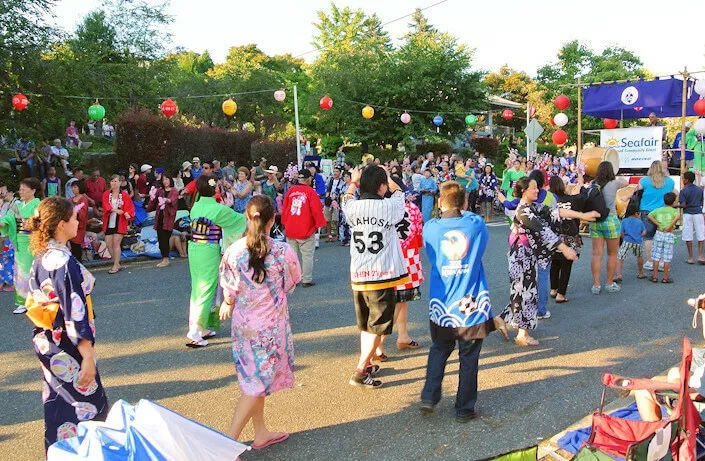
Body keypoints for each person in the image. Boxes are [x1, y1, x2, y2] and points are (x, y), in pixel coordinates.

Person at [24, 197, 108, 451]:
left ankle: (58, 452)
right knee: (90, 406)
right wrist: (88, 357)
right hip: (67, 344)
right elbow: (75, 315)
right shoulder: (63, 262)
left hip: (48, 341)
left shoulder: (43, 257)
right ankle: (84, 454)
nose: (77, 222)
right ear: (61, 225)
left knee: (58, 402)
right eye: (73, 219)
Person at [218, 195, 301, 450]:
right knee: (255, 385)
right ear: (273, 219)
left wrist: (229, 301)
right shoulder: (282, 251)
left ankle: (261, 431)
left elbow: (228, 286)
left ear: (247, 216)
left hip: (244, 326)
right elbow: (292, 281)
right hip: (270, 328)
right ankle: (227, 445)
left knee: (254, 380)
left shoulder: (233, 251)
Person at [420, 181, 508, 421]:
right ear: (466, 203)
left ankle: (429, 395)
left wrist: (448, 206)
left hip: (442, 304)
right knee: (468, 357)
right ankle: (464, 408)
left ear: (439, 203)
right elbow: (470, 215)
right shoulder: (475, 224)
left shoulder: (430, 228)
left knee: (439, 349)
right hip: (471, 305)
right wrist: (462, 206)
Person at [499, 177, 597, 346]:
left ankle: (499, 321)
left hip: (527, 253)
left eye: (537, 188)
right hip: (521, 254)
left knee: (522, 291)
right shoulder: (524, 211)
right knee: (526, 292)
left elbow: (555, 212)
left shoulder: (533, 207)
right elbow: (543, 230)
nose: (537, 191)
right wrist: (564, 248)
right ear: (524, 191)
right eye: (534, 188)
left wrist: (582, 215)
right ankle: (522, 334)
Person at [342, 165, 408, 389]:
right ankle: (360, 369)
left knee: (366, 324)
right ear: (381, 186)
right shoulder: (389, 206)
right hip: (382, 274)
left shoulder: (352, 207)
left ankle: (367, 363)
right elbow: (400, 194)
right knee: (376, 326)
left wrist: (353, 180)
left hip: (359, 274)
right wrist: (389, 177)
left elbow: (347, 197)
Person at [186, 174, 246, 347]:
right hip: (208, 249)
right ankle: (195, 331)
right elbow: (239, 221)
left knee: (198, 287)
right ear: (215, 189)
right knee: (206, 287)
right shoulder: (218, 209)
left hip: (195, 248)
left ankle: (203, 326)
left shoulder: (196, 206)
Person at [375, 191, 424, 361]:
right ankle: (377, 345)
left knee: (398, 302)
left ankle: (403, 336)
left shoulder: (382, 208)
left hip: (387, 260)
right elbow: (418, 237)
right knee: (398, 303)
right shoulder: (412, 208)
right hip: (409, 261)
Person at [0, 178, 41, 313]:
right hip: (18, 242)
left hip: (32, 242)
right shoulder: (18, 206)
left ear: (33, 190)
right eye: (20, 189)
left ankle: (35, 300)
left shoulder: (37, 204)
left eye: (24, 189)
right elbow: (8, 218)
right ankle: (23, 301)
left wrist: (23, 220)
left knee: (31, 272)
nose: (20, 191)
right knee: (19, 272)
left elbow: (38, 223)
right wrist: (3, 223)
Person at [281, 169, 326, 288]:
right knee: (307, 255)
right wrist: (318, 224)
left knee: (291, 256)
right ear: (308, 179)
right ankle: (306, 279)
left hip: (291, 227)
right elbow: (316, 210)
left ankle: (291, 280)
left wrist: (285, 223)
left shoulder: (290, 191)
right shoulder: (310, 192)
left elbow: (285, 209)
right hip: (305, 227)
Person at [588, 161, 628, 295]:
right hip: (610, 218)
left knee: (596, 253)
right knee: (612, 254)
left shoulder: (593, 184)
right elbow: (626, 182)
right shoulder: (614, 183)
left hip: (595, 219)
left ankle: (596, 284)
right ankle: (609, 283)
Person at [548, 176, 587, 303]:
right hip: (569, 234)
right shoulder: (571, 199)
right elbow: (584, 197)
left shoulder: (549, 200)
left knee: (554, 263)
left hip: (553, 236)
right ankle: (561, 294)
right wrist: (580, 185)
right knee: (566, 265)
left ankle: (553, 289)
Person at [637, 160, 675, 271]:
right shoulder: (670, 181)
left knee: (648, 237)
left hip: (647, 210)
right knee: (663, 236)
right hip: (664, 211)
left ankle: (650, 261)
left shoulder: (644, 181)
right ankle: (662, 261)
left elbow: (637, 192)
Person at [101, 175, 135, 274]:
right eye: (112, 181)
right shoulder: (106, 194)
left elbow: (130, 208)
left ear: (120, 182)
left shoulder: (125, 195)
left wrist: (128, 213)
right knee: (108, 244)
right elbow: (105, 205)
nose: (114, 183)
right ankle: (116, 262)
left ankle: (115, 265)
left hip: (120, 222)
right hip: (109, 221)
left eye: (116, 181)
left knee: (116, 242)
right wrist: (115, 210)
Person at [146, 175, 179, 268]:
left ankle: (165, 258)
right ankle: (164, 257)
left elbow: (173, 201)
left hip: (168, 219)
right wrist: (152, 196)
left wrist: (166, 200)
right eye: (163, 179)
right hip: (160, 217)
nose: (165, 181)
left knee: (165, 238)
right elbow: (152, 203)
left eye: (167, 179)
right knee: (160, 238)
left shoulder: (174, 191)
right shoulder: (160, 191)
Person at [648, 192, 679, 283]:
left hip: (659, 232)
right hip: (669, 233)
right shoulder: (674, 211)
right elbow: (677, 218)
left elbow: (649, 215)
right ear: (674, 202)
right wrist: (670, 226)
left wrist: (657, 223)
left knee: (656, 255)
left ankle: (655, 276)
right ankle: (665, 277)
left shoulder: (659, 210)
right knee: (667, 256)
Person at [678, 171, 705, 264]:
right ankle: (700, 255)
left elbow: (683, 205)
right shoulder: (699, 190)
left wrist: (675, 206)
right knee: (701, 234)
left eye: (683, 178)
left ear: (687, 180)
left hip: (688, 213)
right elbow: (701, 202)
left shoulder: (683, 191)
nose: (682, 179)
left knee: (688, 235)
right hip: (698, 212)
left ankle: (691, 257)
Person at [615, 205, 647, 282]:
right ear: (636, 213)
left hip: (627, 240)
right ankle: (641, 272)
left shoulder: (624, 221)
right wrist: (639, 236)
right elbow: (644, 232)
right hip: (638, 241)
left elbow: (621, 232)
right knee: (639, 256)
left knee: (620, 257)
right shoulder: (639, 222)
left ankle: (618, 274)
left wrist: (624, 238)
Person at [69, 180, 90, 262]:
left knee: (77, 249)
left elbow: (82, 214)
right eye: (72, 187)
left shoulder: (83, 200)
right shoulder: (70, 200)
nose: (73, 189)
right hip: (70, 227)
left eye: (75, 187)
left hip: (79, 227)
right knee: (71, 247)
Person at [324, 167, 344, 242]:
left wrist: (335, 196)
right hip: (328, 200)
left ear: (340, 173)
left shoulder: (341, 181)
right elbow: (326, 187)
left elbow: (341, 190)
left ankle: (337, 234)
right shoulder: (330, 179)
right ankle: (329, 234)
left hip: (336, 201)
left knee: (335, 219)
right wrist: (327, 195)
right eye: (334, 171)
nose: (335, 173)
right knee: (327, 219)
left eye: (337, 171)